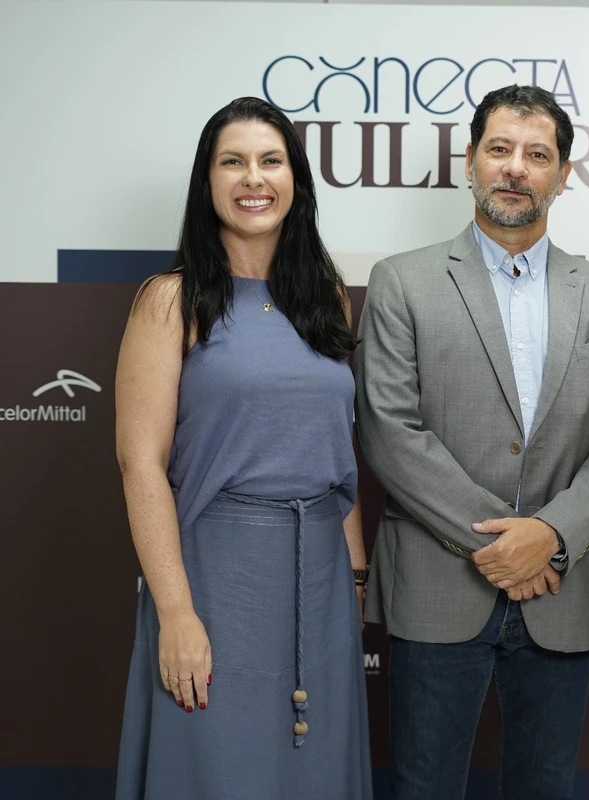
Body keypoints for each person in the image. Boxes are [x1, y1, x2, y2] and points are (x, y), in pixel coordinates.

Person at [354, 84, 589, 800]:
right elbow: (390, 430)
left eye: (537, 154)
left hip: (563, 587)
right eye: (500, 149)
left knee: (545, 788)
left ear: (563, 174)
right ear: (470, 160)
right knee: (424, 787)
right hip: (436, 583)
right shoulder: (402, 282)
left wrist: (549, 534)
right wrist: (505, 544)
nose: (515, 168)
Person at [114, 97, 371, 800]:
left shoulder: (327, 301)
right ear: (207, 182)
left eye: (270, 161)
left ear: (296, 181)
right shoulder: (170, 301)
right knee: (215, 772)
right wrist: (176, 612)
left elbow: (337, 457)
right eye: (232, 161)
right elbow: (142, 467)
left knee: (315, 775)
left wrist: (351, 587)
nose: (252, 179)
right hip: (214, 582)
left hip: (319, 583)